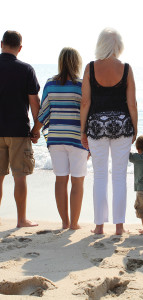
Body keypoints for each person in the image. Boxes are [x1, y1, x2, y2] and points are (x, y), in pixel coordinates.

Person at [80, 28, 138, 235]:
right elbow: (132, 103)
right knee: (119, 176)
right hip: (122, 124)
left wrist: (82, 130)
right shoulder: (126, 68)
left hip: (96, 124)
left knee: (100, 176)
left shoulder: (90, 68)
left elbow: (85, 102)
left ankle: (98, 226)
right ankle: (120, 227)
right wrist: (135, 126)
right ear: (118, 46)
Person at [31, 47, 88, 230]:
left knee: (60, 180)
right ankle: (74, 223)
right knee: (77, 180)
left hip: (55, 139)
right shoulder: (82, 85)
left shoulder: (50, 84)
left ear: (60, 62)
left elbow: (43, 112)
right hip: (77, 140)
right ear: (77, 63)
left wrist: (35, 131)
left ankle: (64, 222)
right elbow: (88, 113)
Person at [0, 30, 40, 227]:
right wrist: (37, 128)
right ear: (20, 48)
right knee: (19, 176)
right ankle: (21, 220)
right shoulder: (26, 69)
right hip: (18, 130)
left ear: (1, 44)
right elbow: (34, 102)